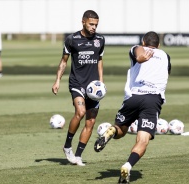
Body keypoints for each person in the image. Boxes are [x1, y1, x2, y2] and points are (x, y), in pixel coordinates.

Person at [94, 31, 171, 183]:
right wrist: (141, 57)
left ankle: (111, 131)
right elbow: (160, 69)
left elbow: (137, 53)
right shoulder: (165, 56)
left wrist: (140, 56)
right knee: (142, 140)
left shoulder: (136, 47)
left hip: (133, 98)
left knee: (120, 131)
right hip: (152, 100)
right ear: (159, 45)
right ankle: (128, 166)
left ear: (143, 42)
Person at [52, 10, 105, 166]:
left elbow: (100, 61)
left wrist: (101, 82)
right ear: (83, 22)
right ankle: (67, 146)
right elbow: (63, 62)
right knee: (80, 112)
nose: (94, 27)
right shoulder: (72, 39)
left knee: (91, 122)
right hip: (77, 83)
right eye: (91, 24)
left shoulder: (100, 40)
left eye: (96, 24)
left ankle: (78, 156)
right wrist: (57, 81)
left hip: (93, 87)